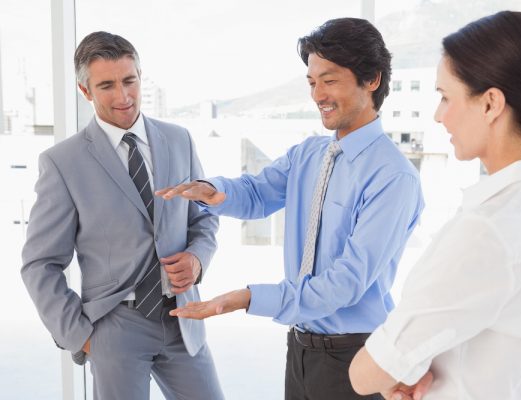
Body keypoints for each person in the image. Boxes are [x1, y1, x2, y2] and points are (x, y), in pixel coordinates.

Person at [157, 18, 428, 400]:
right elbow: (257, 192)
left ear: (372, 80)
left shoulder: (393, 177)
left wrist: (248, 298)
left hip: (357, 356)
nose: (318, 95)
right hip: (300, 351)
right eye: (312, 82)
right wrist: (212, 191)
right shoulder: (309, 155)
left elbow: (345, 284)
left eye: (330, 80)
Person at [348, 10, 521, 400]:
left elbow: (365, 374)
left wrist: (389, 372)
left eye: (445, 97)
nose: (439, 116)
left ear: (490, 104)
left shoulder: (487, 230)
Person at [21, 32, 224, 400]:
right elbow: (40, 263)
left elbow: (204, 218)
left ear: (140, 76)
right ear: (86, 92)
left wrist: (197, 259)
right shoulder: (63, 163)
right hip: (114, 325)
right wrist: (78, 336)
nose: (123, 96)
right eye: (107, 85)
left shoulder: (180, 140)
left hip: (183, 318)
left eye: (129, 81)